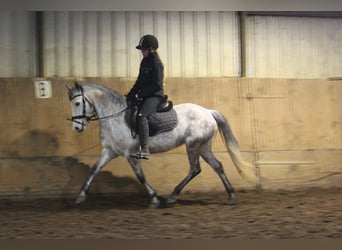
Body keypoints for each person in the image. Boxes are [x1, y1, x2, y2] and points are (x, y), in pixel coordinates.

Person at [126, 34, 164, 159]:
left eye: (144, 49)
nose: (142, 51)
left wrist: (141, 93)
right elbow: (139, 81)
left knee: (141, 116)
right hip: (145, 95)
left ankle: (145, 149)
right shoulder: (144, 61)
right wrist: (131, 93)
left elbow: (157, 85)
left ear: (152, 49)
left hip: (155, 96)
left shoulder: (157, 63)